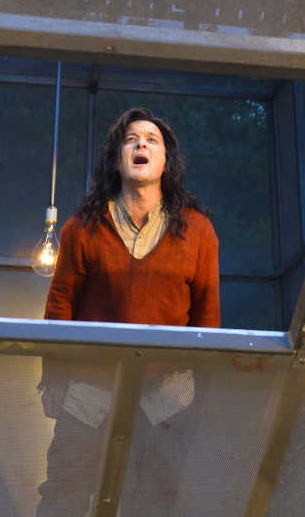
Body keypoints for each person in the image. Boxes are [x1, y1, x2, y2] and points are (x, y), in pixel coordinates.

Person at [37, 106, 219, 516]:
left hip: (167, 395)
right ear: (117, 159)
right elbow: (60, 304)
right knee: (63, 493)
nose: (141, 144)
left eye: (151, 140)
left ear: (166, 161)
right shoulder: (81, 227)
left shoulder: (198, 230)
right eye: (130, 139)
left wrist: (204, 388)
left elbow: (208, 316)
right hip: (88, 390)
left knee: (156, 499)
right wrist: (53, 377)